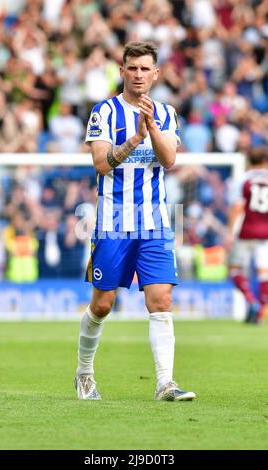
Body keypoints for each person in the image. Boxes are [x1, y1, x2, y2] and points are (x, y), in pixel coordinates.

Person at [75, 41, 196, 402]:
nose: (139, 75)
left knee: (160, 301)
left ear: (156, 74)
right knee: (102, 305)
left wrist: (152, 129)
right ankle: (84, 374)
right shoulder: (104, 112)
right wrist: (135, 139)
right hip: (113, 220)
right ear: (122, 71)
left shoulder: (166, 112)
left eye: (146, 69)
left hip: (155, 221)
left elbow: (170, 159)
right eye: (133, 68)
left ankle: (165, 384)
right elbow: (100, 163)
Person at [226, 146, 268, 324]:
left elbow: (238, 207)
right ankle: (261, 309)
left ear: (248, 161)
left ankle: (251, 301)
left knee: (235, 270)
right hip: (265, 232)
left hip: (245, 232)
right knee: (264, 273)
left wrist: (229, 232)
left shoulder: (243, 180)